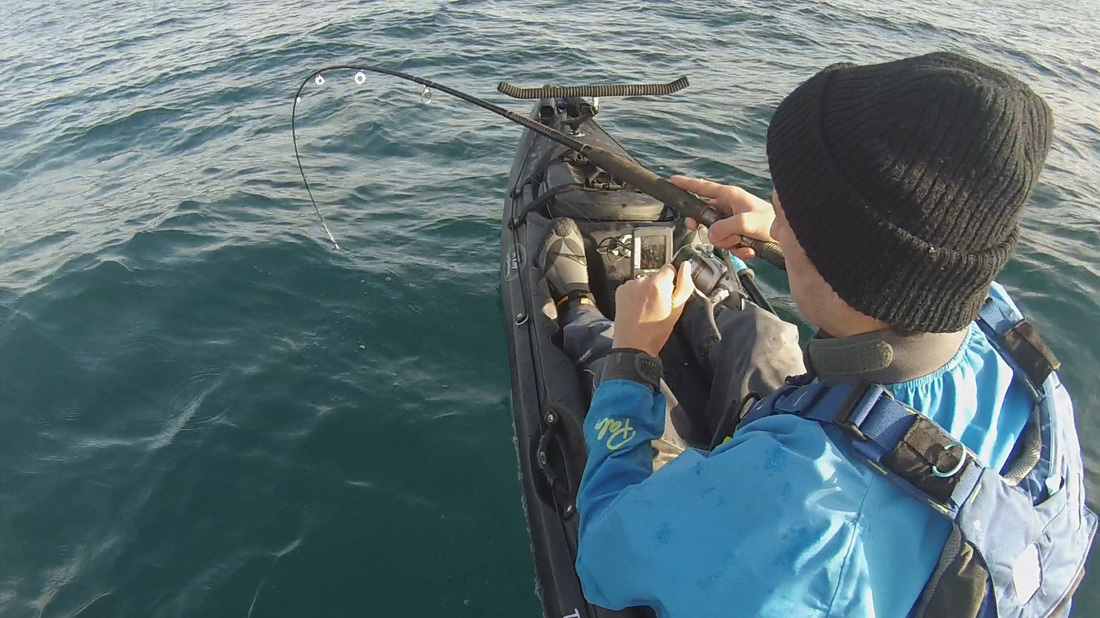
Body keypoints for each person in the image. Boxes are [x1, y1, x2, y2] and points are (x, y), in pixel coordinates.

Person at [536, 53, 1095, 617]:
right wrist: (797, 243)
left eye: (786, 210)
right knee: (761, 334)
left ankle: (583, 313)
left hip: (800, 549)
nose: (773, 213)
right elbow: (889, 286)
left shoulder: (800, 519)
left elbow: (605, 557)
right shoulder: (1004, 334)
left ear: (841, 261)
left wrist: (634, 355)